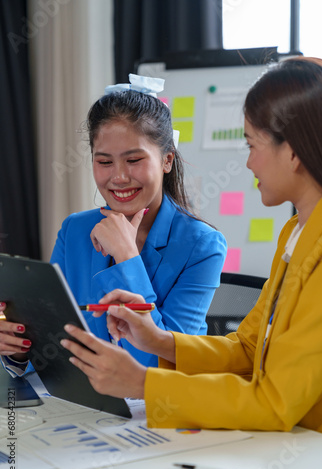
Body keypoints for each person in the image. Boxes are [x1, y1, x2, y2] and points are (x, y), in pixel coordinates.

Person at [60, 57, 322, 436]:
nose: (249, 163)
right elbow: (247, 349)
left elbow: (274, 401)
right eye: (104, 161)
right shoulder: (296, 231)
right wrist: (159, 340)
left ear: (294, 151)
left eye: (252, 145)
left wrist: (145, 383)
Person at [0, 73, 226, 373]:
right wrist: (19, 351)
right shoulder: (75, 231)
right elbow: (53, 357)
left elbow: (167, 364)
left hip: (157, 408)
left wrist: (126, 257)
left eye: (133, 160)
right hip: (85, 408)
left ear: (167, 160)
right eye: (104, 162)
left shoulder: (203, 246)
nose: (118, 177)